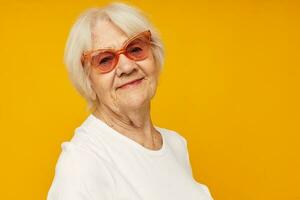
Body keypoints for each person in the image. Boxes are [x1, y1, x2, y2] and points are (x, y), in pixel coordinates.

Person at [47, 2, 213, 200]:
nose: (127, 67)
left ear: (154, 56)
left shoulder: (175, 145)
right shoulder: (82, 162)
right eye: (105, 60)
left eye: (135, 49)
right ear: (88, 80)